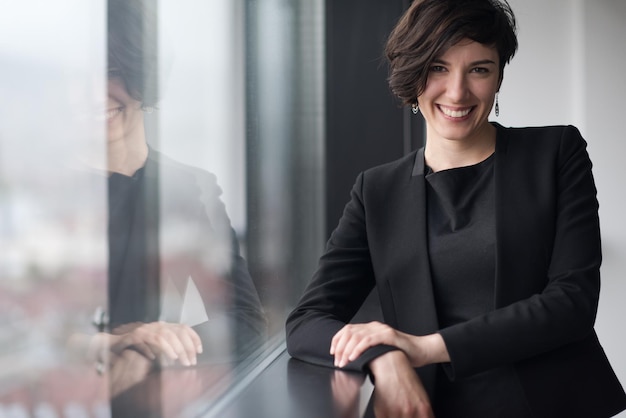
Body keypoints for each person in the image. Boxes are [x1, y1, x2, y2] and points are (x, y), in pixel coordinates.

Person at [285, 0, 626, 417]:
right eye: (437, 68)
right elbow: (306, 322)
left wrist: (425, 348)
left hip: (545, 406)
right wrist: (383, 356)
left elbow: (572, 302)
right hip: (426, 409)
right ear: (412, 77)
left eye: (479, 69)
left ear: (499, 76)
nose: (458, 91)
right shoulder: (376, 190)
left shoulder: (555, 154)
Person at [82, 0, 267, 383]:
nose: (97, 93)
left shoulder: (188, 188)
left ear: (143, 77)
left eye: (114, 71)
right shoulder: (59, 193)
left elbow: (245, 322)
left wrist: (161, 350)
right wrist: (120, 341)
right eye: (82, 77)